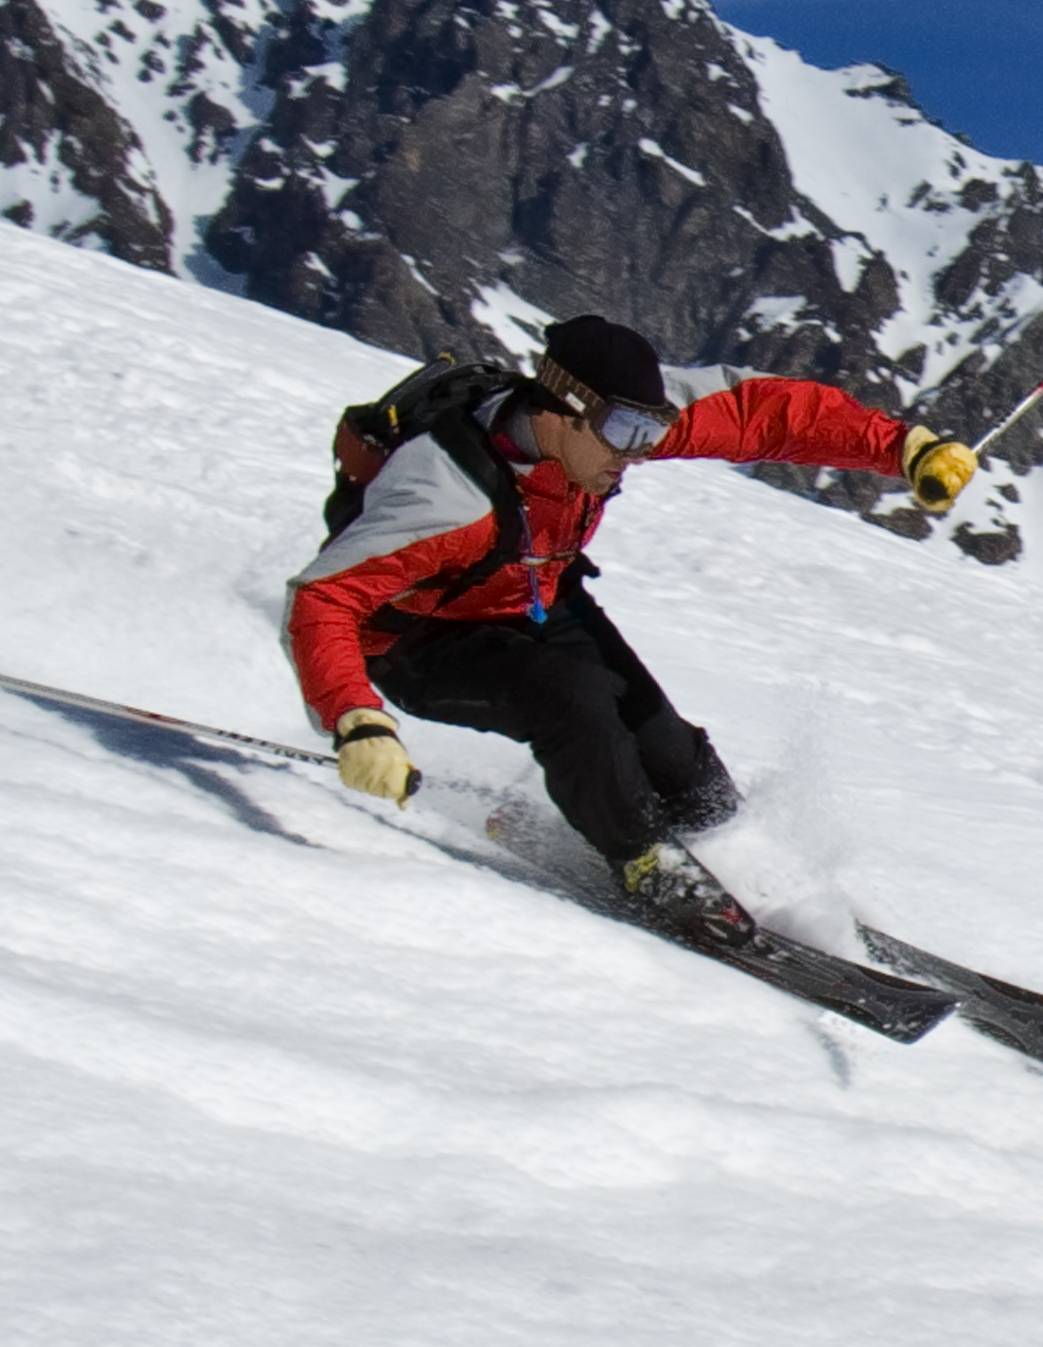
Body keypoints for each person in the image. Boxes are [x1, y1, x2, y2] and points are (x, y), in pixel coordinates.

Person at [289, 311, 980, 934]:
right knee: (575, 702)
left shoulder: (620, 422)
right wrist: (357, 720)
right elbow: (322, 600)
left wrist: (905, 448)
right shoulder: (445, 495)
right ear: (560, 413)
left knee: (666, 747)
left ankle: (738, 852)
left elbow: (765, 412)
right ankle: (643, 862)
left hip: (533, 593)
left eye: (649, 433)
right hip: (417, 639)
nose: (637, 451)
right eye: (625, 434)